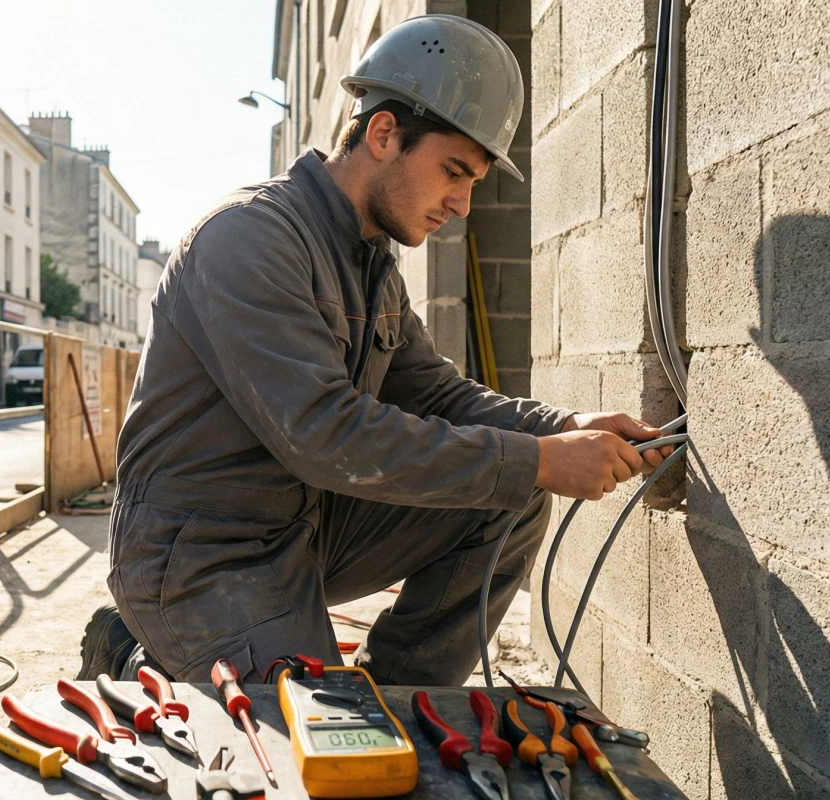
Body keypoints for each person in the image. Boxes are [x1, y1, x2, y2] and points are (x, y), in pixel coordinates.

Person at [80, 14, 672, 686]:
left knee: (511, 496)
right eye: (455, 172)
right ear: (384, 133)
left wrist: (562, 430)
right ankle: (137, 654)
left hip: (301, 528)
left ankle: (401, 698)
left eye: (474, 181)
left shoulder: (370, 264)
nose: (463, 204)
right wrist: (535, 458)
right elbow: (326, 434)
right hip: (198, 552)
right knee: (309, 747)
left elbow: (440, 396)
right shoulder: (245, 240)